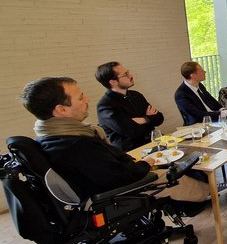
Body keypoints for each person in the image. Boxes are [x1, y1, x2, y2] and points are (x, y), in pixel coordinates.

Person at [20, 77, 209, 202]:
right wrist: (145, 164)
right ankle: (206, 196)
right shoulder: (78, 145)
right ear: (61, 109)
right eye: (80, 97)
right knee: (177, 175)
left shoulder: (51, 136)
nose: (86, 99)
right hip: (122, 186)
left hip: (118, 172)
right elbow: (120, 175)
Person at [95, 62, 164, 151]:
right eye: (126, 74)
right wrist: (149, 119)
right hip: (132, 151)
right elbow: (132, 132)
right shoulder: (105, 106)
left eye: (128, 72)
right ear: (113, 82)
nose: (131, 76)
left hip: (154, 142)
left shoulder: (136, 95)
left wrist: (143, 120)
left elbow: (159, 118)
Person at [175, 61, 227, 126]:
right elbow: (199, 116)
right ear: (193, 75)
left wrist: (224, 110)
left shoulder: (199, 85)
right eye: (201, 71)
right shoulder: (181, 94)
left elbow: (212, 101)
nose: (205, 72)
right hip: (199, 126)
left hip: (215, 120)